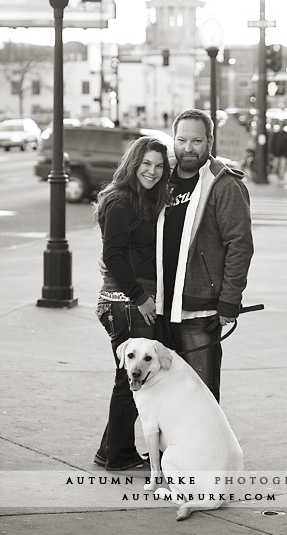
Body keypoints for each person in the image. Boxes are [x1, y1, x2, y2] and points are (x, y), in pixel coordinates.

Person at [156, 108, 254, 402]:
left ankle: (205, 449)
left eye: (196, 141)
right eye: (181, 140)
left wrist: (229, 301)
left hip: (199, 310)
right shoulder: (158, 178)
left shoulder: (224, 185)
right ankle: (170, 450)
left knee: (201, 396)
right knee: (162, 392)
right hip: (158, 306)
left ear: (210, 141)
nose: (188, 148)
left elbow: (240, 246)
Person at [93, 137, 171, 472]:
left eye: (158, 166)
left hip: (127, 300)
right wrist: (141, 299)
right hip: (126, 303)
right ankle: (120, 455)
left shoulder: (141, 199)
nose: (152, 172)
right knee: (133, 379)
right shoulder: (122, 200)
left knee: (130, 378)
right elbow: (112, 253)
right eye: (146, 165)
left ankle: (109, 449)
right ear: (133, 164)